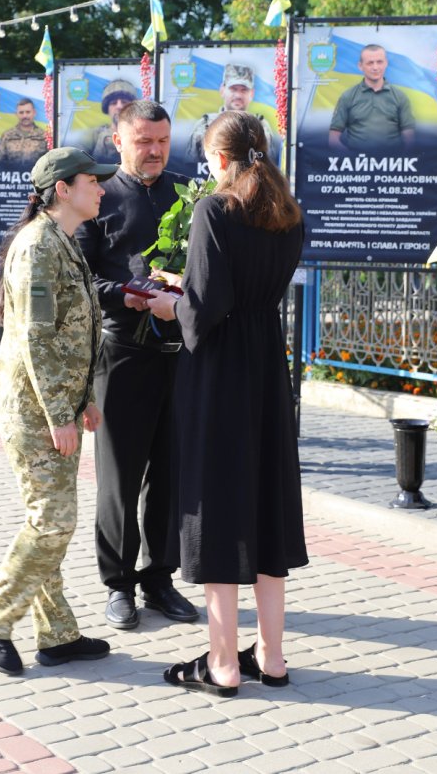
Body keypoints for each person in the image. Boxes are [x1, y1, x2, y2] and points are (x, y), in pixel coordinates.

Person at [147, 110, 308, 697]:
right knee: (265, 503)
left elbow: (208, 306)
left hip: (220, 373)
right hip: (265, 367)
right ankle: (272, 656)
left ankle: (222, 664)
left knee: (217, 509)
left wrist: (172, 304)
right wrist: (192, 290)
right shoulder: (288, 214)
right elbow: (242, 290)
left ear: (219, 158)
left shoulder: (215, 209)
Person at [0, 147, 117, 675]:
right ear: (63, 190)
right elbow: (35, 337)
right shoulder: (37, 246)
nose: (101, 189)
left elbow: (74, 332)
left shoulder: (63, 240)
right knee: (53, 521)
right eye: (92, 181)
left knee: (48, 518)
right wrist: (59, 415)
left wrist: (84, 400)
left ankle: (57, 635)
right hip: (33, 409)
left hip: (56, 403)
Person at [77, 99, 199, 630]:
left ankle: (159, 579)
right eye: (144, 141)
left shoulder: (189, 194)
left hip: (178, 353)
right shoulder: (98, 197)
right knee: (120, 477)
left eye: (163, 141)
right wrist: (122, 294)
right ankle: (118, 584)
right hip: (122, 352)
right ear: (118, 141)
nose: (155, 151)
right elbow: (81, 276)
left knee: (171, 473)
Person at [329, 44, 416, 150]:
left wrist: (401, 158)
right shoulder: (347, 96)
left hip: (391, 160)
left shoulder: (400, 97)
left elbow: (409, 140)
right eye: (370, 63)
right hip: (357, 160)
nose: (375, 67)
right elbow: (333, 139)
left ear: (386, 63)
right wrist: (350, 157)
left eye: (379, 62)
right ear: (360, 66)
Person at [187, 64, 278, 162]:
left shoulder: (261, 127)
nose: (238, 95)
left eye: (244, 90)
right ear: (222, 90)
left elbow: (269, 163)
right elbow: (190, 164)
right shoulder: (204, 125)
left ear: (251, 93)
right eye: (233, 89)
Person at [91, 78, 138, 162]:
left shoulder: (144, 134)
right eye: (113, 103)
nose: (119, 106)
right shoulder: (94, 136)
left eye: (124, 102)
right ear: (107, 109)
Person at [0, 98, 48, 166]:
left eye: (28, 112)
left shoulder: (44, 136)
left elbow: (50, 161)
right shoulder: (7, 135)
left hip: (36, 172)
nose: (25, 116)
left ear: (34, 113)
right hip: (12, 172)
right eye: (21, 112)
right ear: (16, 114)